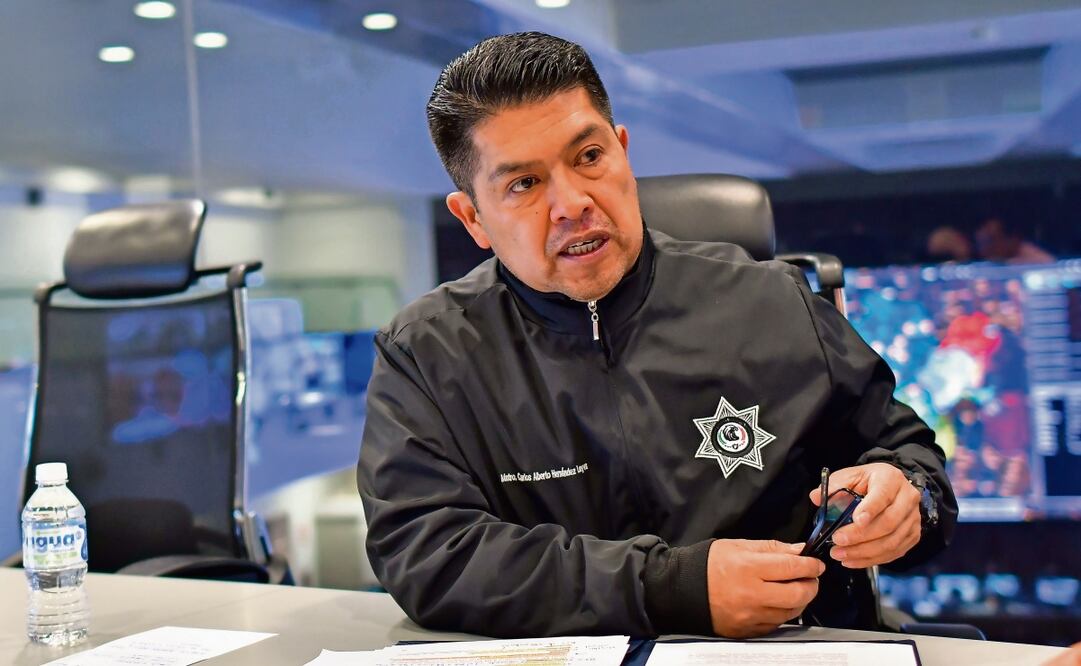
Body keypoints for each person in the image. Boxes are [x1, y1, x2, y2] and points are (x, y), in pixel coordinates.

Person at [357, 32, 957, 639]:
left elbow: (908, 455)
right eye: (524, 185)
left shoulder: (771, 301)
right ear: (473, 219)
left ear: (622, 152)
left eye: (589, 156)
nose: (572, 203)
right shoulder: (427, 353)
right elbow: (426, 554)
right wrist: (670, 588)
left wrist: (907, 499)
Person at [975, 216, 1054, 264]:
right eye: (983, 242)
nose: (988, 247)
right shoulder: (984, 262)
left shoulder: (1040, 261)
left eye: (993, 240)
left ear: (1012, 239)